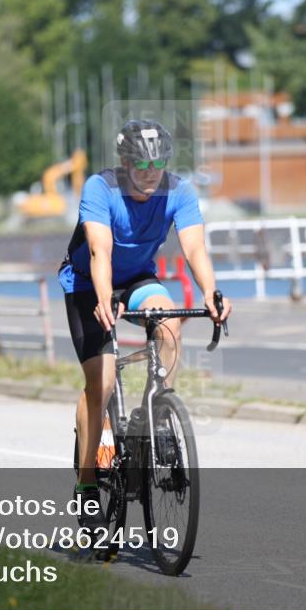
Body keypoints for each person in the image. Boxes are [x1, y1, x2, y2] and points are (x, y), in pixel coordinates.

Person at [58, 119, 232, 528]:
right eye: (141, 164)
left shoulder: (179, 191)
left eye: (159, 163)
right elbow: (100, 251)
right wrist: (104, 301)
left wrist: (210, 292)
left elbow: (194, 247)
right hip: (88, 283)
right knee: (99, 385)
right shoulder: (100, 189)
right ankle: (86, 486)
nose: (151, 172)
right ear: (123, 162)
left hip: (136, 279)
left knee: (169, 320)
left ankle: (159, 413)